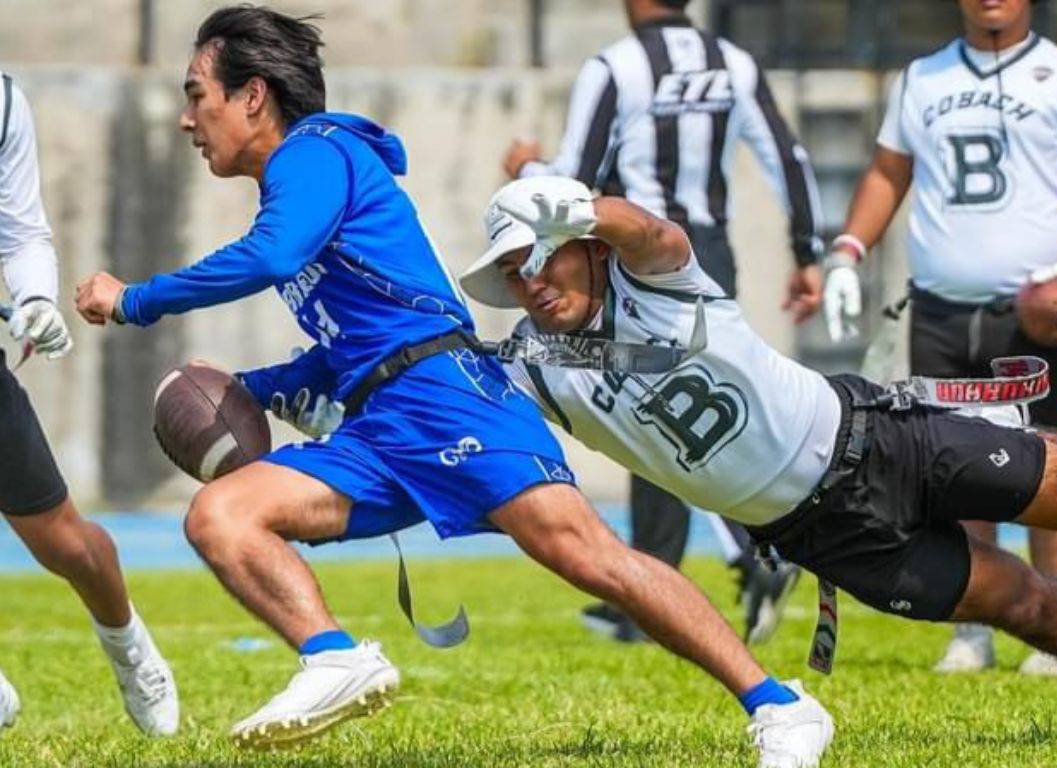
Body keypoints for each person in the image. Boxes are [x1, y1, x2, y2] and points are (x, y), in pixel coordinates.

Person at [72, 8, 832, 763]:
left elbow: (273, 259)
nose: (185, 118)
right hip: (380, 427)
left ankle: (780, 705)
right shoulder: (296, 182)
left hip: (446, 394)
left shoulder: (316, 151)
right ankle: (334, 656)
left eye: (197, 94)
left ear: (253, 96)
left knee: (594, 559)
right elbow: (350, 339)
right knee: (221, 516)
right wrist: (256, 385)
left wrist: (136, 299)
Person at [459, 174, 1057, 735]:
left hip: (879, 438)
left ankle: (1014, 429)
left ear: (586, 246)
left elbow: (647, 228)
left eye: (539, 258)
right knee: (1022, 603)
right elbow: (444, 397)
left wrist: (569, 206)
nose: (530, 282)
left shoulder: (658, 275)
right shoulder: (534, 373)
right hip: (819, 532)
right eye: (512, 273)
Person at [502, 0, 825, 645]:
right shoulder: (733, 61)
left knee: (645, 411)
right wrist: (807, 252)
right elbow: (787, 156)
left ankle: (747, 555)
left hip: (636, 259)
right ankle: (652, 595)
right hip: (706, 250)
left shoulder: (616, 66)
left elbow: (576, 182)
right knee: (706, 400)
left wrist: (524, 170)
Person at [820, 0, 1057, 676]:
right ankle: (975, 627)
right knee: (952, 475)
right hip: (941, 310)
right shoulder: (920, 78)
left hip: (1036, 306)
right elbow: (887, 172)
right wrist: (847, 251)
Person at [0, 71, 178, 736]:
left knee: (70, 545)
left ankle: (128, 643)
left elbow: (20, 231)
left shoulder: (2, 101)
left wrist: (38, 298)